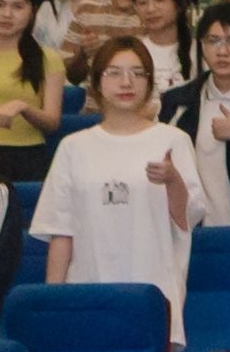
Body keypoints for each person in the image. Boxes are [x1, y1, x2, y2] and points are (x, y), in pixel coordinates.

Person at [31, 38, 195, 297]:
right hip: (86, 290)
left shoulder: (173, 140)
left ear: (150, 82)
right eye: (114, 73)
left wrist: (173, 180)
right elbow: (61, 230)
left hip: (154, 289)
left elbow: (186, 219)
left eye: (137, 73)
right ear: (97, 82)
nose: (126, 82)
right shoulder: (73, 147)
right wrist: (55, 299)